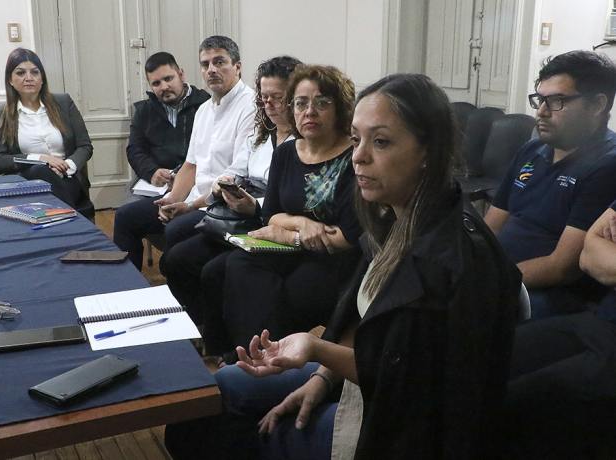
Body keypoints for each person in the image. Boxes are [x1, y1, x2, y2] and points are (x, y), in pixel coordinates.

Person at [166, 74, 521, 460]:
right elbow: (365, 322)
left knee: (218, 428)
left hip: (400, 426)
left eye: (380, 142)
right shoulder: (391, 218)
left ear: (428, 151)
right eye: (356, 139)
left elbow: (413, 386)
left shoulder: (453, 259)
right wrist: (321, 377)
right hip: (357, 379)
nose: (358, 157)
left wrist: (317, 349)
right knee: (215, 391)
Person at [206, 65, 362, 362]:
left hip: (334, 258)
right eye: (301, 103)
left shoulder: (353, 158)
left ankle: (269, 360)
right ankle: (251, 353)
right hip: (293, 247)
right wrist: (302, 224)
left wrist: (290, 235)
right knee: (238, 264)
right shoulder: (286, 153)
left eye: (322, 103)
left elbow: (346, 237)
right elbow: (271, 216)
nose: (309, 112)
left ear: (340, 108)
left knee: (289, 292)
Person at [160, 55, 301, 346]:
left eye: (278, 97)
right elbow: (236, 170)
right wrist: (221, 186)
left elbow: (293, 197)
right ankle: (201, 326)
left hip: (272, 224)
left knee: (215, 271)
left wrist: (254, 205)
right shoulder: (262, 133)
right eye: (264, 97)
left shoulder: (304, 141)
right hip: (239, 215)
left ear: (296, 97)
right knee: (175, 260)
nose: (269, 105)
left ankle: (223, 345)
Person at [484, 50, 616, 319]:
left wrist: (490, 281)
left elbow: (562, 268)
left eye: (556, 101)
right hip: (501, 274)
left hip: (550, 294)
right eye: (539, 99)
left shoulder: (607, 165)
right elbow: (491, 227)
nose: (541, 112)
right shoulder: (532, 150)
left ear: (596, 105)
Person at [113, 35, 255, 268]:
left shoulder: (250, 106)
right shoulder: (205, 110)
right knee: (125, 217)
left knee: (175, 234)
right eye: (205, 64)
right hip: (193, 199)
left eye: (219, 62)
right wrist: (171, 200)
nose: (211, 70)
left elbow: (236, 176)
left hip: (221, 205)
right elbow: (191, 165)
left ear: (237, 67)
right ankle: (127, 286)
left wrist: (189, 206)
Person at [501, 203, 616, 458]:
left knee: (515, 404)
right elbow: (588, 255)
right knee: (484, 358)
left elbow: (569, 264)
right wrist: (599, 249)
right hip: (599, 321)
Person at [114, 51, 210, 267]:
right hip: (155, 184)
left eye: (168, 78)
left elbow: (206, 154)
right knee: (124, 215)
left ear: (181, 74)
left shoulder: (205, 105)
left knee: (174, 223)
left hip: (194, 182)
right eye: (156, 83)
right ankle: (129, 279)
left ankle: (177, 264)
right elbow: (135, 150)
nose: (164, 87)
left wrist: (181, 177)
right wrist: (152, 172)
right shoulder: (144, 111)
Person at [0, 48, 94, 217]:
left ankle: (63, 219)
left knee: (49, 178)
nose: (28, 78)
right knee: (41, 171)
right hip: (28, 184)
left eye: (35, 72)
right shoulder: (2, 112)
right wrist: (40, 158)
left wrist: (66, 166)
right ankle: (70, 221)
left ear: (42, 78)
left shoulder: (63, 102)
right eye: (21, 73)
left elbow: (85, 146)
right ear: (10, 79)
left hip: (67, 178)